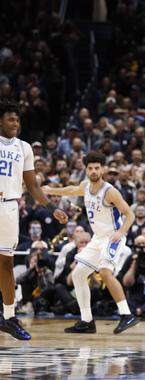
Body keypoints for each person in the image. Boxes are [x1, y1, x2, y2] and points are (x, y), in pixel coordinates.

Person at [42, 151, 139, 334]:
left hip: (112, 237)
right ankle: (87, 321)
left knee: (105, 271)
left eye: (97, 167)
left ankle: (127, 315)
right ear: (86, 170)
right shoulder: (85, 186)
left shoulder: (110, 191)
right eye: (90, 168)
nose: (94, 170)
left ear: (102, 169)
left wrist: (120, 232)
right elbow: (70, 190)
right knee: (78, 274)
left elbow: (130, 214)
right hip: (97, 239)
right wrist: (49, 190)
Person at [0, 99, 67, 340]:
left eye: (17, 119)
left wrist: (52, 208)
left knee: (5, 264)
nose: (15, 123)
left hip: (9, 207)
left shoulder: (24, 148)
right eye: (10, 119)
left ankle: (8, 317)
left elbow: (32, 186)